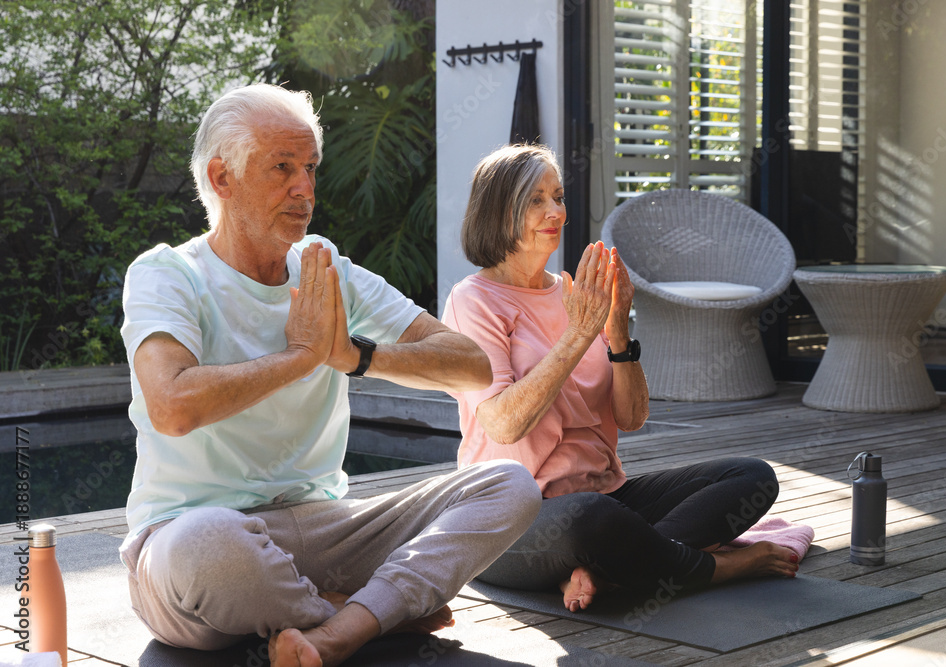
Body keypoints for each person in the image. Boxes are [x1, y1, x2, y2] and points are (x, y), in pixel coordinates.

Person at [118, 84, 541, 667]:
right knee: (209, 543)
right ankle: (367, 614)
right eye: (282, 168)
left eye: (311, 168)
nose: (304, 189)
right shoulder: (168, 273)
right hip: (190, 542)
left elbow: (471, 365)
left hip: (321, 529)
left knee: (508, 485)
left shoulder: (324, 265)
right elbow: (172, 405)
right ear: (221, 178)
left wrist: (357, 356)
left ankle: (337, 628)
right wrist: (301, 356)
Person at [441, 144, 799, 613]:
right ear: (498, 211)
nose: (555, 212)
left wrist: (616, 333)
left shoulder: (575, 292)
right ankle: (719, 568)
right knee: (594, 519)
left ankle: (605, 571)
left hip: (604, 495)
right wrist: (580, 333)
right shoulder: (474, 301)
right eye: (536, 200)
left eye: (559, 196)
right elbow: (505, 425)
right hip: (509, 517)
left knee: (752, 477)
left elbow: (631, 418)